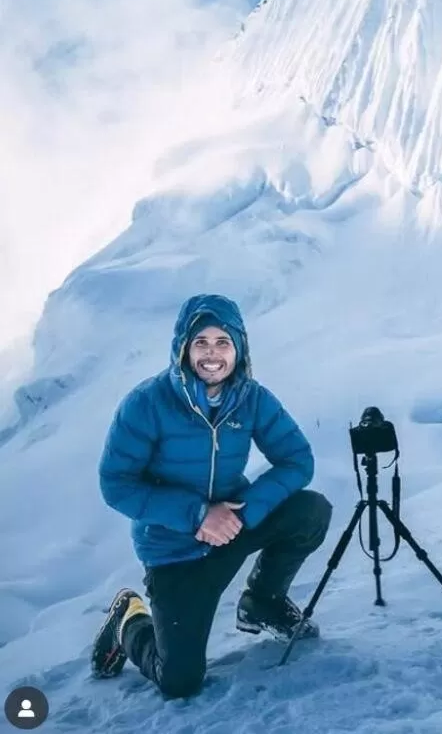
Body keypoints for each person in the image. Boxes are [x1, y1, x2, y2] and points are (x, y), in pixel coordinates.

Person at [90, 293, 332, 698]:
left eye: (223, 342)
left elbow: (297, 460)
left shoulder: (252, 399)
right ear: (183, 348)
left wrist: (243, 513)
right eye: (201, 342)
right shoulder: (146, 403)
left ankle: (263, 602)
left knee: (310, 511)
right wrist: (198, 515)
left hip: (233, 527)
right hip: (174, 549)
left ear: (239, 348)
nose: (212, 354)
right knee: (179, 681)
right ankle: (128, 619)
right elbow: (116, 484)